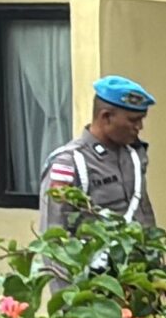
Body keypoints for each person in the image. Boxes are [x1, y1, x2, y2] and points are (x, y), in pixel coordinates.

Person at [38, 76, 157, 232]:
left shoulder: (133, 155)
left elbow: (143, 214)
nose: (139, 127)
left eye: (141, 120)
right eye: (133, 120)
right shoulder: (70, 163)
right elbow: (55, 230)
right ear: (106, 117)